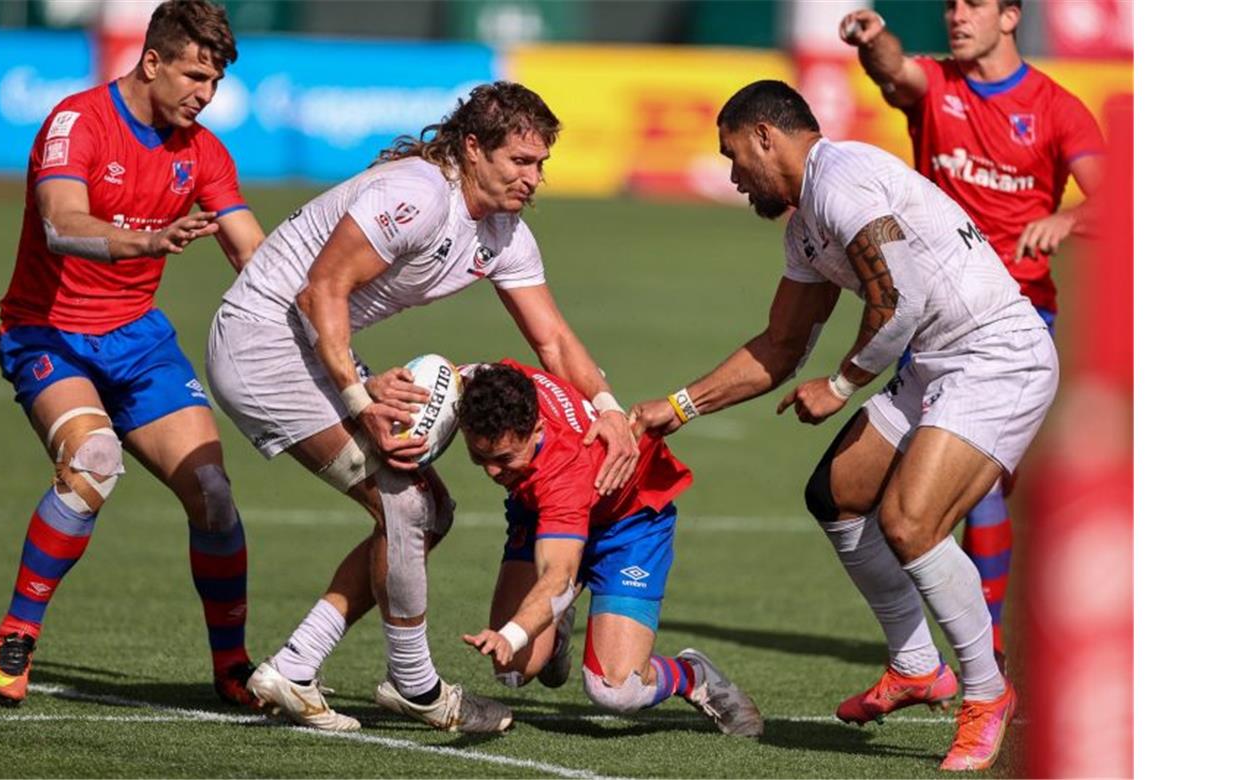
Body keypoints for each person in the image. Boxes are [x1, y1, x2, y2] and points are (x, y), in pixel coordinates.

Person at [631, 80, 1056, 771]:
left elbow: (904, 299)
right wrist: (675, 408)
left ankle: (986, 693)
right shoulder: (806, 223)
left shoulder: (842, 182)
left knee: (911, 523)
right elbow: (779, 346)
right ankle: (918, 666)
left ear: (766, 135)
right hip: (937, 363)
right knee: (837, 492)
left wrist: (842, 384)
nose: (734, 177)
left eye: (734, 155)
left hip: (995, 359)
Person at [205, 81, 638, 733]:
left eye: (541, 164)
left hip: (311, 346)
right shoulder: (417, 194)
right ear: (472, 147)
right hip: (262, 341)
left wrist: (605, 405)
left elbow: (551, 337)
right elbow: (320, 289)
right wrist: (358, 393)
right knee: (404, 504)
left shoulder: (502, 231)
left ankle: (295, 667)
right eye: (521, 160)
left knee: (429, 511)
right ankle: (414, 684)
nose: (534, 176)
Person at [0, 0, 267, 708]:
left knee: (215, 496)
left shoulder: (202, 151)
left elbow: (253, 255)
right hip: (46, 334)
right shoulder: (79, 123)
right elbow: (61, 224)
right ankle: (17, 631)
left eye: (215, 84)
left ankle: (231, 665)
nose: (204, 95)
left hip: (137, 340)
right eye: (195, 76)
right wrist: (144, 240)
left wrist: (323, 321)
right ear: (152, 62)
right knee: (93, 461)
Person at [839, 0, 1103, 657]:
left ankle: (988, 646)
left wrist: (1068, 222)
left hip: (1016, 319)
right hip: (931, 322)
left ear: (1011, 17)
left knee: (977, 490)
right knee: (904, 493)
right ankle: (947, 648)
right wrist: (873, 38)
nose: (957, 15)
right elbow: (895, 69)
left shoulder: (1057, 107)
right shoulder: (937, 86)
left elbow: (1120, 196)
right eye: (951, 5)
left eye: (974, 5)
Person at [457, 361, 764, 737]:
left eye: (503, 458)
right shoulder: (493, 384)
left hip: (628, 525)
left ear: (537, 427)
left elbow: (558, 576)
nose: (492, 472)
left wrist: (512, 634)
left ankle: (692, 676)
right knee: (512, 671)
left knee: (616, 691)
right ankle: (553, 626)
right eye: (478, 457)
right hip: (545, 515)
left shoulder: (564, 470)